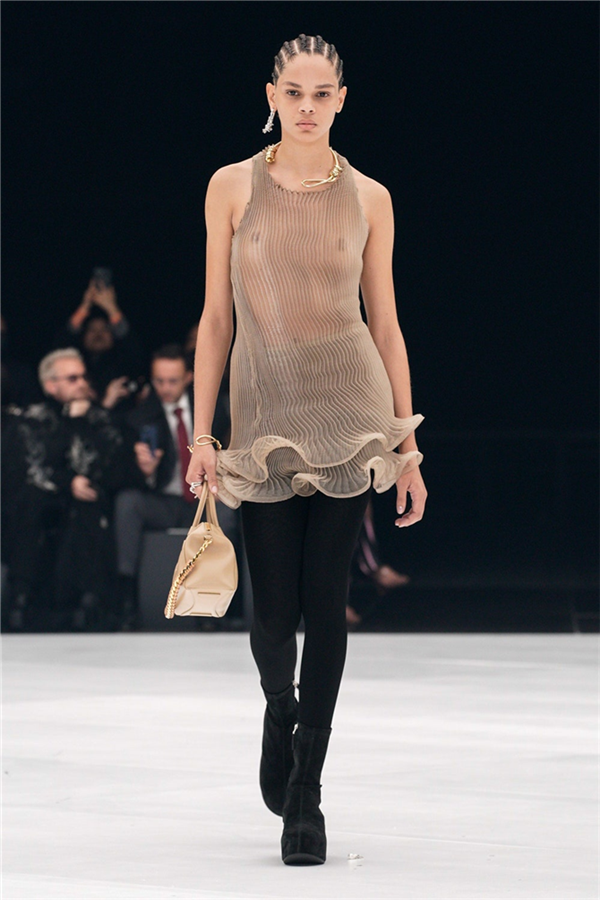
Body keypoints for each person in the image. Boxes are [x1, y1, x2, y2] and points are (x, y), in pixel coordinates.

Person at [185, 34, 427, 866]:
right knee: (270, 614)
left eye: (323, 93)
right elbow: (216, 319)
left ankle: (305, 793)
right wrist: (203, 434)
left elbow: (385, 324)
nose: (308, 106)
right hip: (262, 419)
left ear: (342, 100)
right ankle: (280, 713)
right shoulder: (230, 186)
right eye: (294, 91)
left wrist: (407, 446)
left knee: (325, 604)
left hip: (349, 413)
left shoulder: (370, 197)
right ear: (271, 95)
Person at [0, 348, 131, 631]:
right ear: (51, 385)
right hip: (40, 501)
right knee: (32, 503)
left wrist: (80, 422)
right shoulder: (32, 419)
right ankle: (22, 600)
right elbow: (30, 467)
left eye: (83, 377)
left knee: (88, 505)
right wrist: (66, 483)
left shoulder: (99, 419)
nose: (82, 384)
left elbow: (107, 466)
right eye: (72, 379)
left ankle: (88, 604)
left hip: (87, 502)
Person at [114, 343, 232, 629]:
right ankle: (126, 597)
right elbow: (120, 474)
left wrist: (221, 485)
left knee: (229, 511)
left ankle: (220, 606)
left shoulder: (213, 410)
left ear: (189, 377)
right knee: (127, 503)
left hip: (207, 498)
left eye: (173, 381)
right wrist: (146, 473)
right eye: (159, 381)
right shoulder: (139, 417)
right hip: (164, 500)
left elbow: (229, 450)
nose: (165, 388)